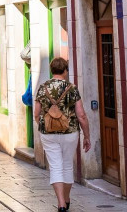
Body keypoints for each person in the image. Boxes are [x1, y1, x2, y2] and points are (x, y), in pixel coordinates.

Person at [34, 57, 91, 212]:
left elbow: (36, 114)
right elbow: (81, 115)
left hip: (48, 134)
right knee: (66, 165)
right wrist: (87, 136)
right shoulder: (72, 88)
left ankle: (60, 204)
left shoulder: (42, 88)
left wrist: (44, 127)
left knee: (55, 166)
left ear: (52, 70)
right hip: (70, 133)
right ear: (65, 71)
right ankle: (66, 200)